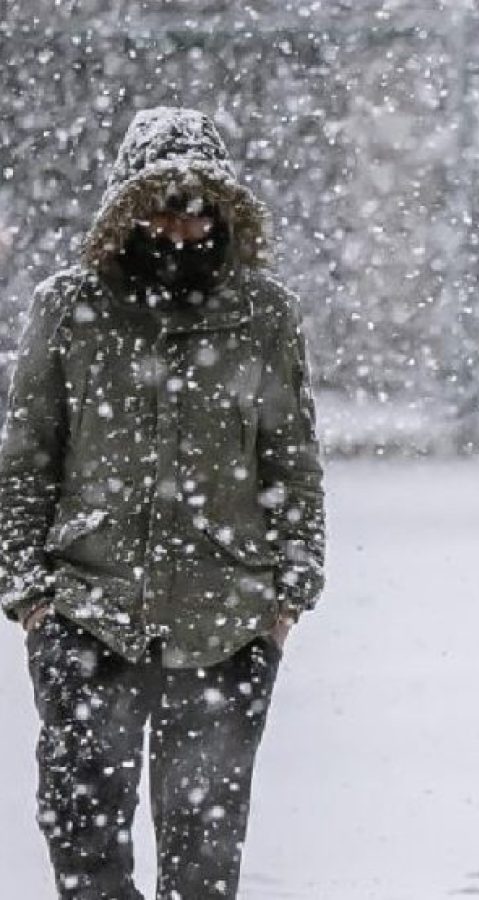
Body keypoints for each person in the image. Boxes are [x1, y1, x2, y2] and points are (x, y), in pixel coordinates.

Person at [0, 107, 325, 899]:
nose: (178, 227)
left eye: (195, 207)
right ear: (124, 210)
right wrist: (30, 594)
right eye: (159, 205)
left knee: (204, 862)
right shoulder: (68, 306)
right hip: (84, 613)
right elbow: (25, 460)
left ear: (223, 212)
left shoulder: (264, 314)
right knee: (84, 852)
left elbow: (292, 462)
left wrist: (288, 593)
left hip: (229, 621)